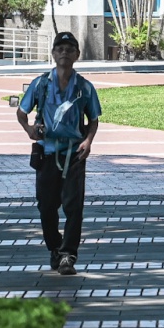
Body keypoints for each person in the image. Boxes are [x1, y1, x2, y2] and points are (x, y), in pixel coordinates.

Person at [15, 31, 101, 275]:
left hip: (74, 153)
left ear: (77, 55)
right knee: (46, 206)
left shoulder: (84, 87)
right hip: (47, 152)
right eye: (60, 48)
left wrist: (89, 140)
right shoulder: (41, 84)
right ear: (53, 54)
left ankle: (67, 255)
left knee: (74, 206)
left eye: (69, 49)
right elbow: (22, 113)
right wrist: (30, 129)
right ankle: (55, 247)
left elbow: (93, 119)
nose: (64, 53)